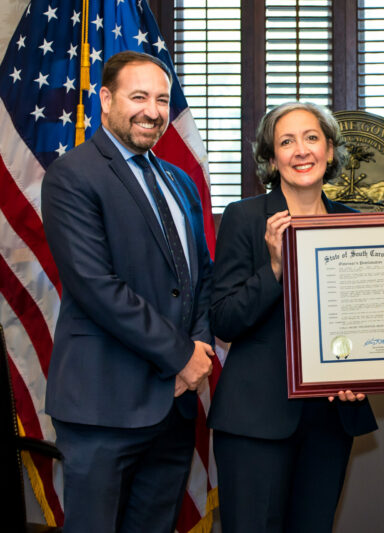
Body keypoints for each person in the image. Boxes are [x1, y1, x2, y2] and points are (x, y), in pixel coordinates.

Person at [41, 51, 214, 532]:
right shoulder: (73, 175)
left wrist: (198, 349)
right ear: (106, 99)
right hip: (103, 405)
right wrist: (181, 356)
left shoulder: (179, 181)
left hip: (173, 407)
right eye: (139, 97)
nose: (152, 111)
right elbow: (96, 287)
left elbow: (200, 277)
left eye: (161, 99)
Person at [207, 101, 377, 532]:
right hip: (255, 420)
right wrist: (275, 268)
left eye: (312, 138)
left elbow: (364, 319)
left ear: (330, 151)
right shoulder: (244, 218)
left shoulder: (353, 224)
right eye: (287, 142)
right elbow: (224, 319)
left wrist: (364, 371)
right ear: (271, 159)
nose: (301, 150)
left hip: (330, 420)